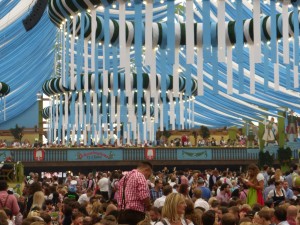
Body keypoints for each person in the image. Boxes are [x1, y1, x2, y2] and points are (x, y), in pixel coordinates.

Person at [116, 161, 153, 225]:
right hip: (136, 213)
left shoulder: (124, 177)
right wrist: (149, 206)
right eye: (148, 175)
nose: (147, 178)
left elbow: (118, 194)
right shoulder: (140, 175)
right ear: (146, 170)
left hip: (122, 213)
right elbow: (144, 195)